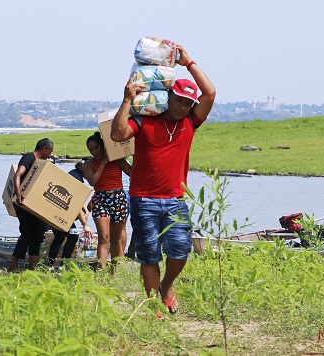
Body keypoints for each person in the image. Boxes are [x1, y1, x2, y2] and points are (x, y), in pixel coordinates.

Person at [110, 44, 216, 316]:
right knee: (149, 254)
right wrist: (125, 100)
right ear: (168, 95)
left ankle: (166, 286)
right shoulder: (146, 121)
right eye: (179, 99)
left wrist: (189, 62)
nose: (183, 106)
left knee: (180, 250)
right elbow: (117, 135)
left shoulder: (190, 123)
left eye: (188, 103)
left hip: (175, 199)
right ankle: (154, 304)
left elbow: (210, 93)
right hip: (143, 199)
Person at [83, 132, 132, 270]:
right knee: (104, 237)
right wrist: (104, 162)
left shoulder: (118, 160)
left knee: (116, 239)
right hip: (100, 199)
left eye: (96, 148)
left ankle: (113, 271)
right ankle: (102, 272)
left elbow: (134, 173)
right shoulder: (88, 164)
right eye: (91, 150)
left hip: (118, 199)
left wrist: (133, 156)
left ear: (103, 146)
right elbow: (93, 181)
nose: (94, 152)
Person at [8, 138, 55, 272]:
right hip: (22, 202)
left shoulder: (42, 162)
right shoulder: (29, 158)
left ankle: (32, 269)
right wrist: (18, 194)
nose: (50, 155)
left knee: (38, 234)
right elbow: (17, 175)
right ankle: (13, 266)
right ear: (43, 148)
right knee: (27, 233)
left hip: (35, 204)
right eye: (49, 151)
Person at [47, 162, 93, 267]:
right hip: (60, 211)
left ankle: (51, 264)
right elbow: (75, 206)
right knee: (72, 237)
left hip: (55, 209)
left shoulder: (75, 174)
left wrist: (85, 209)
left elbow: (77, 200)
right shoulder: (77, 179)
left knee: (59, 237)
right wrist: (85, 224)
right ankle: (63, 265)